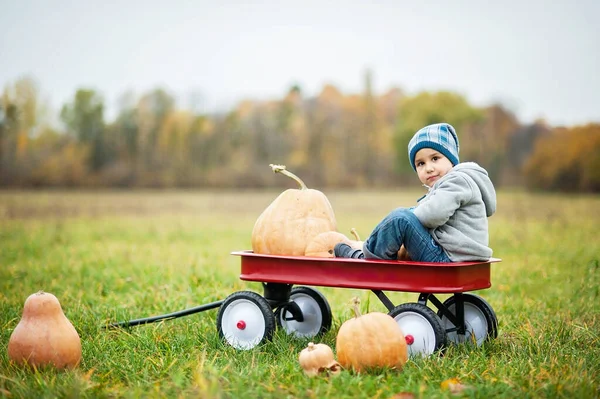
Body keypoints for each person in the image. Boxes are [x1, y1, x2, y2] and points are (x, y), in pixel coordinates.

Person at [335, 122, 496, 262]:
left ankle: (365, 257)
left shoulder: (456, 181)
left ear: (451, 158)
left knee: (400, 219)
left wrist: (408, 218)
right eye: (420, 164)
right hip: (456, 257)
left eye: (435, 158)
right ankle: (373, 248)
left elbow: (432, 215)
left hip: (447, 258)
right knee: (405, 218)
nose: (429, 168)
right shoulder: (457, 184)